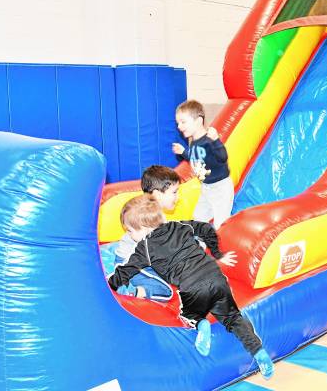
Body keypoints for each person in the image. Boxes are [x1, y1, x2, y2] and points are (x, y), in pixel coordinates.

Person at [107, 195, 274, 379]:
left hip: (193, 288)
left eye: (130, 231)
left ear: (143, 228)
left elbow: (126, 271)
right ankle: (259, 353)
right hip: (216, 277)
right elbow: (206, 228)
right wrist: (213, 251)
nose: (130, 236)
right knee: (233, 317)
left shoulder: (145, 247)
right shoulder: (179, 225)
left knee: (187, 314)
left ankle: (200, 323)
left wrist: (109, 285)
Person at [103, 165, 182, 300]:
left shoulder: (148, 212)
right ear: (157, 194)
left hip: (129, 259)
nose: (178, 196)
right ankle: (134, 291)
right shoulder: (146, 216)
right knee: (166, 292)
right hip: (133, 263)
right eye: (174, 192)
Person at [172, 100, 234, 229]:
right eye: (178, 123)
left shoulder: (209, 140)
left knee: (220, 223)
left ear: (199, 121)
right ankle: (201, 245)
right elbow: (195, 158)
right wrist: (183, 152)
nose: (179, 126)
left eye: (183, 122)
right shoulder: (194, 142)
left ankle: (220, 247)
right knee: (199, 217)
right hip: (206, 188)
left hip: (220, 188)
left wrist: (216, 141)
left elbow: (223, 158)